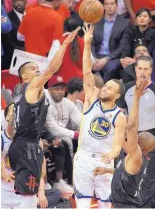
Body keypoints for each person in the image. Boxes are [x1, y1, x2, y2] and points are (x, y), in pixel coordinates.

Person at [8, 27, 80, 207]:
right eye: (33, 68)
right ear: (24, 76)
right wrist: (64, 44)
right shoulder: (32, 87)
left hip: (20, 144)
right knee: (28, 199)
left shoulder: (18, 92)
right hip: (27, 147)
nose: (37, 70)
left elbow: (11, 126)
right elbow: (52, 69)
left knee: (16, 193)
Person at [73, 24, 127, 208]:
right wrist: (87, 44)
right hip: (84, 158)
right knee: (82, 204)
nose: (105, 88)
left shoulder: (119, 116)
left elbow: (118, 144)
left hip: (104, 161)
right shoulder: (91, 100)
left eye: (110, 88)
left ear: (117, 96)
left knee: (105, 205)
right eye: (105, 86)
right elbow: (87, 71)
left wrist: (112, 154)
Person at [94, 80, 155, 208]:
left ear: (142, 146)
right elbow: (124, 172)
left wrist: (137, 98)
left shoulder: (136, 155)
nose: (137, 134)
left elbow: (132, 127)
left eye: (140, 135)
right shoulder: (133, 158)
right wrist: (107, 170)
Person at [91, 0, 129, 82]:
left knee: (110, 68)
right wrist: (94, 59)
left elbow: (122, 47)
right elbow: (91, 43)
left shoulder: (124, 23)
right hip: (96, 56)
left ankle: (103, 93)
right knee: (85, 66)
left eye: (112, 4)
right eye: (107, 4)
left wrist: (107, 58)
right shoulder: (96, 21)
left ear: (117, 5)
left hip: (113, 57)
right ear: (103, 6)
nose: (109, 6)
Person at [48, 17, 84, 82]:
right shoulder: (84, 42)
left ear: (64, 28)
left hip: (62, 81)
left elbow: (51, 63)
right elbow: (91, 63)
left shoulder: (58, 42)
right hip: (80, 81)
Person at [2, 0, 26, 69]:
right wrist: (26, 50)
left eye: (21, 0)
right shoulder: (7, 19)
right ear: (12, 2)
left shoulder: (31, 16)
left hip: (32, 59)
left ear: (25, 2)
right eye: (16, 0)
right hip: (13, 61)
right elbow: (7, 43)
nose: (19, 3)